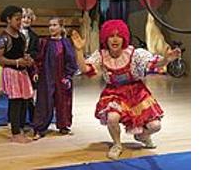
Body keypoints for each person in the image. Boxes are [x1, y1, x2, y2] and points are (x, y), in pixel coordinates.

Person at [70, 19, 181, 160]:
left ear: (124, 38)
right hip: (114, 92)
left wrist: (166, 60)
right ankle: (117, 144)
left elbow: (153, 63)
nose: (115, 39)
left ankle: (142, 136)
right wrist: (78, 50)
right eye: (111, 36)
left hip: (136, 92)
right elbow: (85, 69)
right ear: (106, 38)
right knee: (112, 118)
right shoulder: (102, 55)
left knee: (155, 126)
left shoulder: (135, 53)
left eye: (118, 35)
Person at [32, 17, 78, 140]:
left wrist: (68, 76)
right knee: (44, 102)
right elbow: (39, 59)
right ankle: (40, 128)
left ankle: (63, 126)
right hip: (46, 76)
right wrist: (36, 71)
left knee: (63, 101)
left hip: (61, 77)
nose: (51, 27)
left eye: (54, 25)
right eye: (50, 25)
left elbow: (71, 60)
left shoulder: (66, 43)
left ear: (61, 27)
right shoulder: (44, 42)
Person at [0, 5, 34, 143]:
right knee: (15, 102)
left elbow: (22, 53)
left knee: (25, 100)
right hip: (11, 72)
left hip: (21, 72)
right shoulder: (4, 38)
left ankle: (21, 127)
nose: (20, 22)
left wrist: (27, 59)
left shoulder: (22, 37)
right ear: (8, 19)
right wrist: (16, 62)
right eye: (17, 19)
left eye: (21, 19)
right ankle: (15, 133)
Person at [20, 8, 39, 128]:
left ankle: (34, 119)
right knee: (20, 95)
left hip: (30, 67)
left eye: (29, 18)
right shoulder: (14, 34)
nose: (26, 20)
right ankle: (18, 122)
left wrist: (30, 56)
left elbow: (36, 51)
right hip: (18, 66)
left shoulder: (34, 36)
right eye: (24, 17)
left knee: (32, 95)